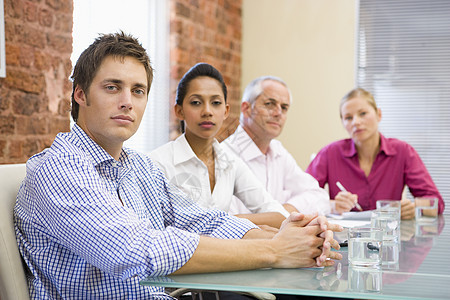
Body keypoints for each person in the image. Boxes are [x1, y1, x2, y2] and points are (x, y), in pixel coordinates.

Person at [14, 32, 342, 299]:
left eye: (138, 90)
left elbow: (205, 221)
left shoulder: (139, 168)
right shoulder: (59, 168)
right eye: (112, 87)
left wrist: (296, 237)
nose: (127, 100)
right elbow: (137, 251)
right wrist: (273, 250)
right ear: (80, 95)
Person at [149, 63, 290, 228]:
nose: (207, 111)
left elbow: (278, 214)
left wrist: (231, 219)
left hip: (226, 252)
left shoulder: (230, 162)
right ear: (179, 111)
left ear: (226, 111)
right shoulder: (157, 163)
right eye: (196, 102)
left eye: (216, 103)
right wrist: (228, 221)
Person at [306, 87, 444, 218]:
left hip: (388, 237)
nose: (356, 122)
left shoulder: (403, 152)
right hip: (342, 239)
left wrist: (414, 207)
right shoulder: (329, 153)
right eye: (348, 117)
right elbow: (302, 198)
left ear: (379, 114)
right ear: (343, 123)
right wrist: (332, 205)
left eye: (363, 113)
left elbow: (436, 203)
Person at [222, 76, 331, 216]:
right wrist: (281, 218)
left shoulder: (278, 151)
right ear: (246, 108)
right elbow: (228, 222)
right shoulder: (225, 156)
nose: (278, 113)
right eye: (269, 104)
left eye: (284, 107)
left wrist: (282, 213)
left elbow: (319, 196)